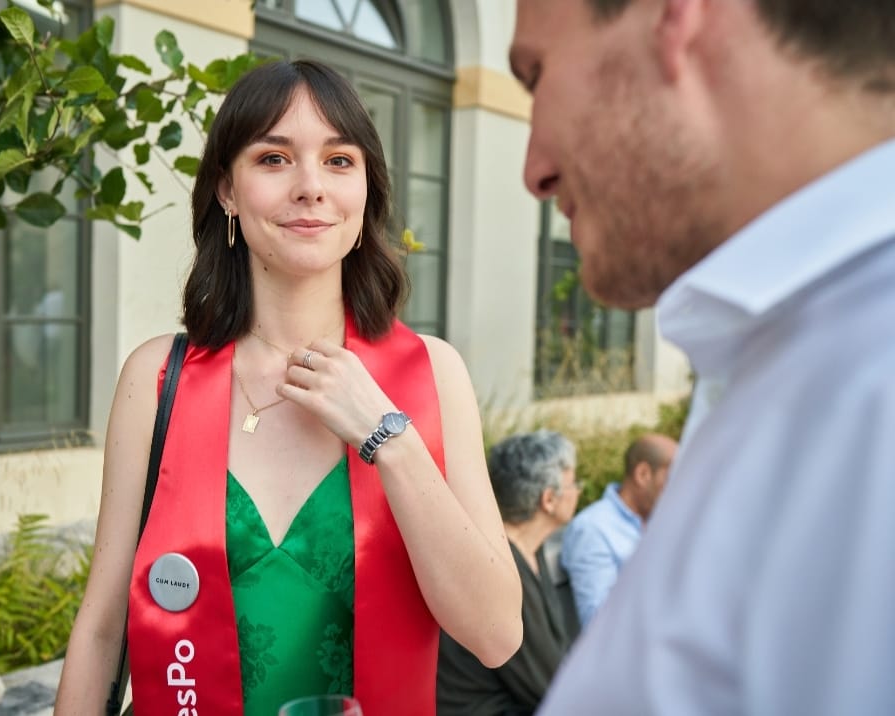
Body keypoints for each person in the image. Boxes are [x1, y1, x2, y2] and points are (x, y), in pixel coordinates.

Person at [54, 59, 522, 716]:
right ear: (227, 190)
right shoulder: (157, 378)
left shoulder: (431, 375)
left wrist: (387, 436)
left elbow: (497, 635)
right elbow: (103, 629)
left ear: (367, 189)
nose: (311, 187)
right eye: (274, 159)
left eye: (339, 160)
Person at [510, 0, 895, 713]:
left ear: (674, 19)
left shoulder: (867, 387)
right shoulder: (789, 350)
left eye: (536, 75)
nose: (535, 170)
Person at [437, 430, 582, 716]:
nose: (578, 490)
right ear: (549, 500)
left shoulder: (527, 550)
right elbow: (550, 687)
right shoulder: (504, 568)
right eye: (573, 483)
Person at [560, 433, 676, 626]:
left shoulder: (662, 520)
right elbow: (598, 622)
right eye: (673, 478)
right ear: (643, 474)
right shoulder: (593, 529)